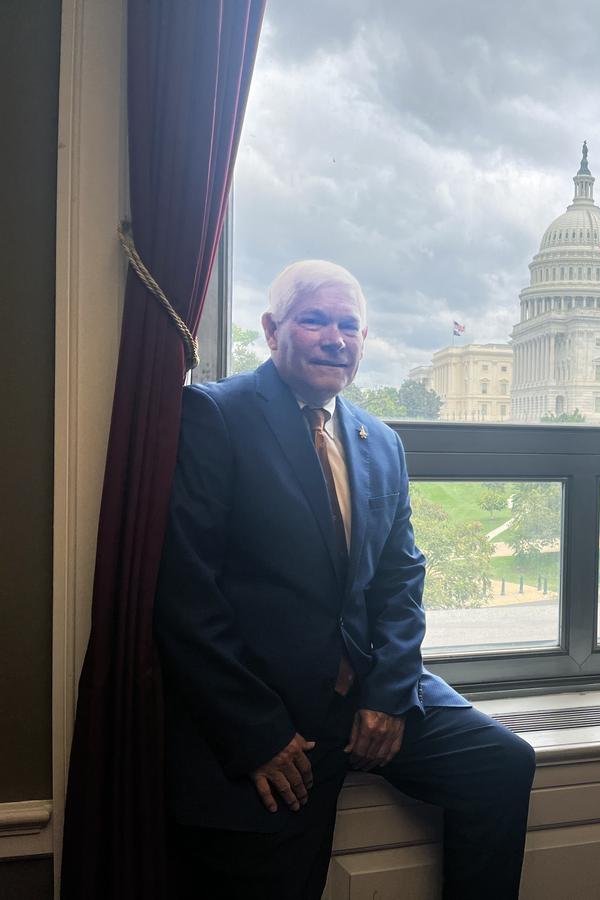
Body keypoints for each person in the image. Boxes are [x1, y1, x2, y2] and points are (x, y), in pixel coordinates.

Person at [155, 260, 535, 900]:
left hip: (366, 690)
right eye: (314, 321)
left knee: (501, 764)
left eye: (349, 326)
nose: (335, 339)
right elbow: (186, 596)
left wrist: (388, 696)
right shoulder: (216, 416)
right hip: (273, 709)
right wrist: (256, 734)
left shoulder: (380, 440)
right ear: (272, 329)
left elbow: (401, 579)